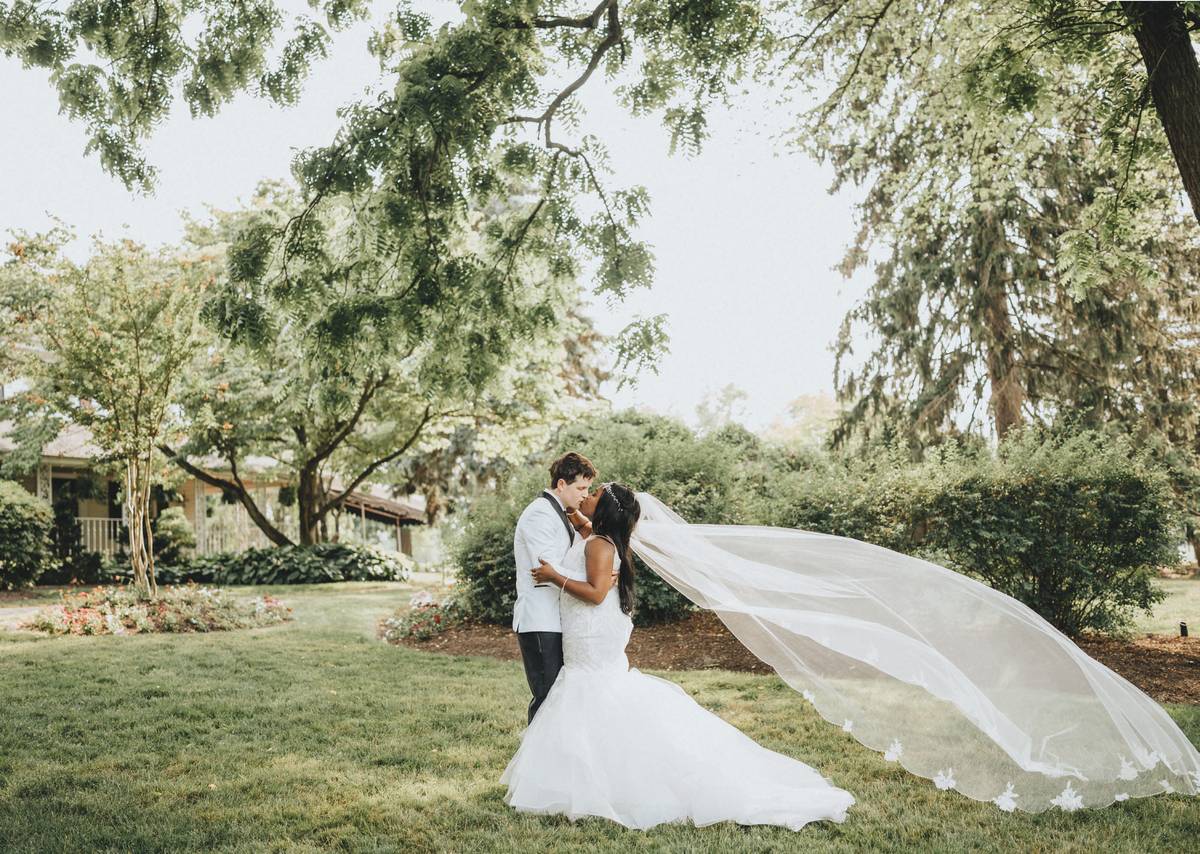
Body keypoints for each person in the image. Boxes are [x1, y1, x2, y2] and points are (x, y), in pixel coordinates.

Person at [500, 481, 856, 831]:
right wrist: (576, 514)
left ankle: (599, 783)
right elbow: (591, 538)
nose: (587, 496)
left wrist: (554, 575)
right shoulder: (601, 538)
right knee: (589, 691)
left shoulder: (598, 545)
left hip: (591, 630)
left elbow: (594, 594)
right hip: (591, 629)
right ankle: (585, 780)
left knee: (591, 691)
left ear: (605, 509)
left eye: (593, 494)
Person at [511, 451, 614, 723]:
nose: (584, 494)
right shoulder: (540, 515)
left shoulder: (562, 512)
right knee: (547, 699)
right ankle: (534, 762)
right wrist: (596, 582)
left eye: (588, 489)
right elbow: (544, 568)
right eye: (581, 487)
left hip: (556, 618)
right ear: (561, 484)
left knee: (558, 700)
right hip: (539, 618)